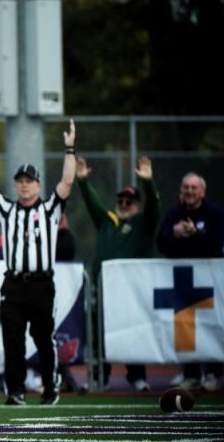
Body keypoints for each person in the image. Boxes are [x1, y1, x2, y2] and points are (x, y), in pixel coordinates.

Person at [0, 120, 76, 406]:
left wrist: (69, 149)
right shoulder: (6, 210)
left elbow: (67, 182)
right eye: (20, 181)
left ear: (38, 184)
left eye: (29, 181)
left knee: (43, 337)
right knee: (12, 340)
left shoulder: (51, 209)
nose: (24, 186)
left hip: (41, 283)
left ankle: (50, 387)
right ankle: (14, 391)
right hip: (13, 283)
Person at [76, 155, 159, 392]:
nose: (124, 203)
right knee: (99, 334)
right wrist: (83, 182)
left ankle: (137, 377)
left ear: (138, 204)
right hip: (104, 290)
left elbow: (154, 207)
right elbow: (93, 205)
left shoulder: (144, 224)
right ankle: (100, 377)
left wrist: (148, 182)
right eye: (121, 199)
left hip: (132, 292)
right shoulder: (108, 222)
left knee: (134, 330)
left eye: (130, 201)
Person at [156, 172, 224, 392]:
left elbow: (217, 244)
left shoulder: (214, 213)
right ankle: (191, 373)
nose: (189, 191)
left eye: (194, 188)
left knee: (212, 324)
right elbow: (161, 244)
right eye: (186, 187)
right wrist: (175, 234)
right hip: (183, 281)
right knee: (186, 328)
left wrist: (195, 233)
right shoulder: (173, 214)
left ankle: (213, 373)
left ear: (202, 192)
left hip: (209, 280)